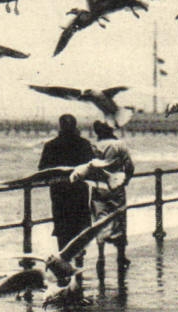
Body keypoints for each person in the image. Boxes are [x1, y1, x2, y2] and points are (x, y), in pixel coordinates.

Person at [39, 114, 95, 249]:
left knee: (62, 227)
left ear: (61, 126)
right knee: (80, 224)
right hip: (79, 190)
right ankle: (79, 256)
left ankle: (64, 257)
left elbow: (42, 169)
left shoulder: (51, 145)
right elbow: (92, 167)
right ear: (75, 126)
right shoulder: (84, 144)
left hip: (59, 191)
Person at [89, 121, 134, 267]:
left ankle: (101, 257)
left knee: (99, 220)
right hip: (116, 187)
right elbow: (129, 167)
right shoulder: (120, 145)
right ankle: (121, 256)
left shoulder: (93, 146)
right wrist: (125, 180)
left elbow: (88, 168)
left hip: (99, 188)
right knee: (119, 219)